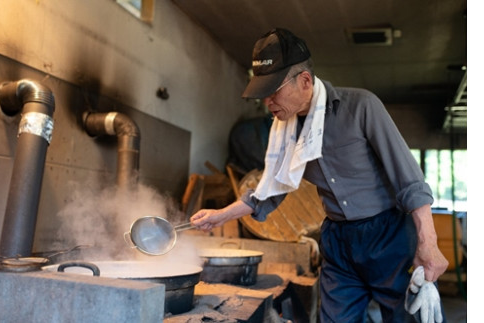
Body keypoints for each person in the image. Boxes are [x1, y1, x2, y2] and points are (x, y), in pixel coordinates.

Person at [190, 28, 449, 322]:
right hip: (338, 241)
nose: (268, 102)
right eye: (263, 94)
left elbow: (410, 180)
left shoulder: (361, 106)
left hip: (388, 236)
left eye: (274, 91)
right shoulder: (285, 131)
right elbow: (269, 191)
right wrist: (221, 215)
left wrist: (428, 244)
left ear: (304, 81)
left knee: (407, 317)